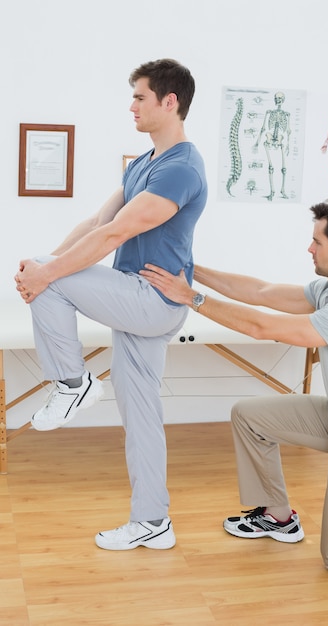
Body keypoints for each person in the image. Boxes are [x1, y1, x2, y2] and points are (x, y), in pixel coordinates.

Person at [139, 201, 328, 576]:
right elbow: (262, 291)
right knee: (250, 417)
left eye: (316, 242)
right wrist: (190, 270)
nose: (309, 249)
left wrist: (190, 297)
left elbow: (262, 327)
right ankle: (277, 516)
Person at [15, 58, 207, 551]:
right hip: (137, 298)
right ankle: (153, 522)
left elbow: (121, 232)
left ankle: (72, 382)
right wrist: (47, 267)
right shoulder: (143, 164)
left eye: (140, 97)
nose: (132, 106)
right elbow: (99, 223)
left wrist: (46, 273)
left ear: (171, 102)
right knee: (141, 416)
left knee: (52, 276)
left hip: (152, 299)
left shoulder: (182, 167)